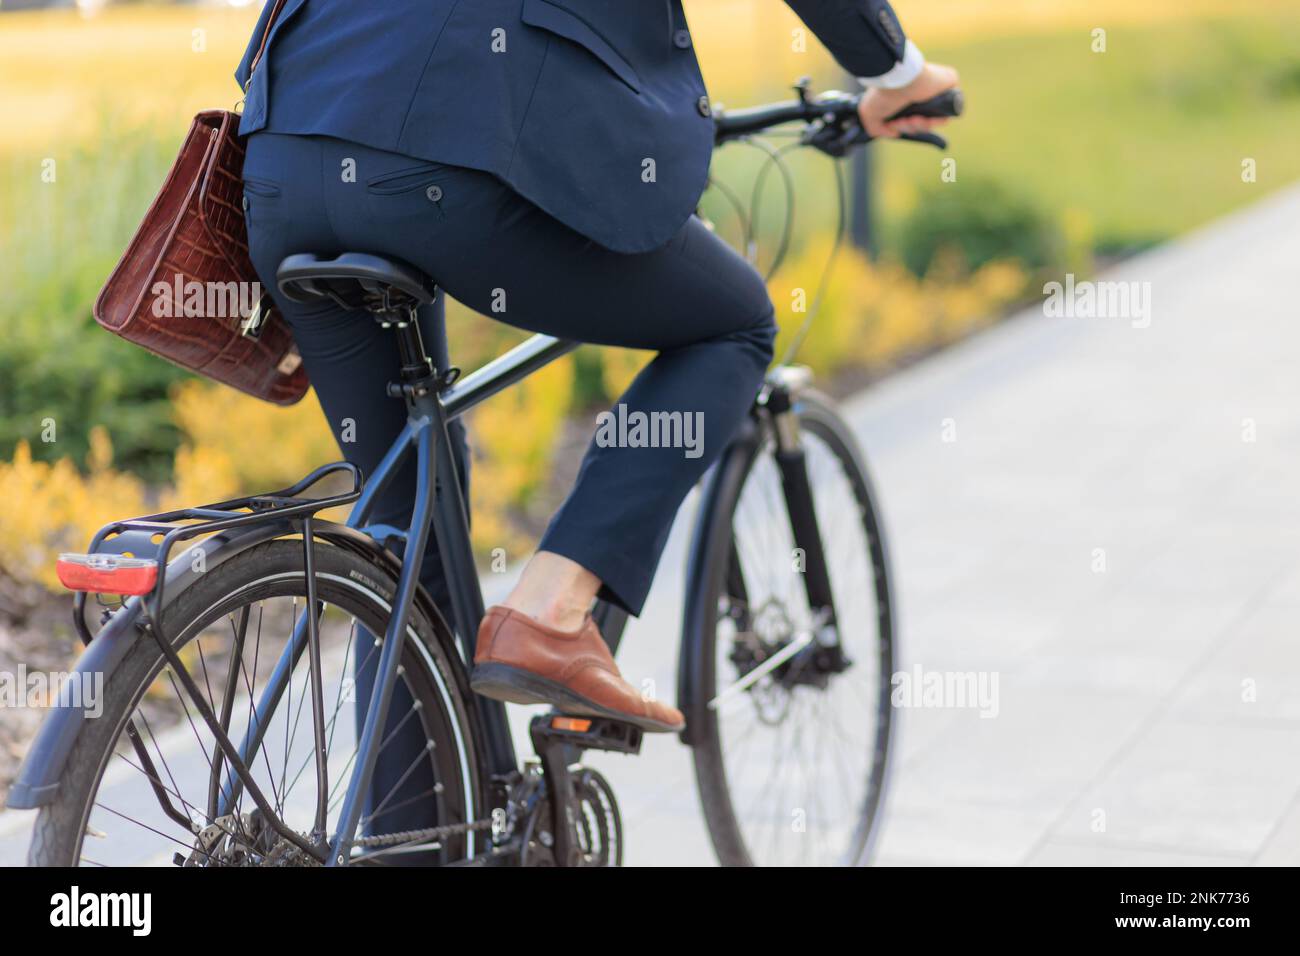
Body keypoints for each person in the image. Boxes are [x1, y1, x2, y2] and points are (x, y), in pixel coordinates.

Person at [236, 0, 959, 735]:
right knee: (734, 322)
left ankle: (417, 844)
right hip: (446, 159)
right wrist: (898, 72)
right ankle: (551, 610)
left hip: (282, 161)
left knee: (406, 516)